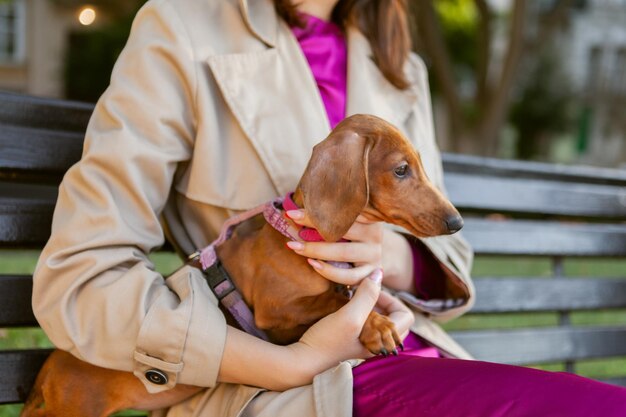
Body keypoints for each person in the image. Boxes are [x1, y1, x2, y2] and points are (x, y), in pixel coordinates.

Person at [32, 0, 626, 416]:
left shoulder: (401, 69)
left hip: (402, 348)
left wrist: (389, 253)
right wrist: (286, 365)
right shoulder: (182, 25)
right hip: (279, 388)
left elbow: (451, 252)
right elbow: (80, 281)